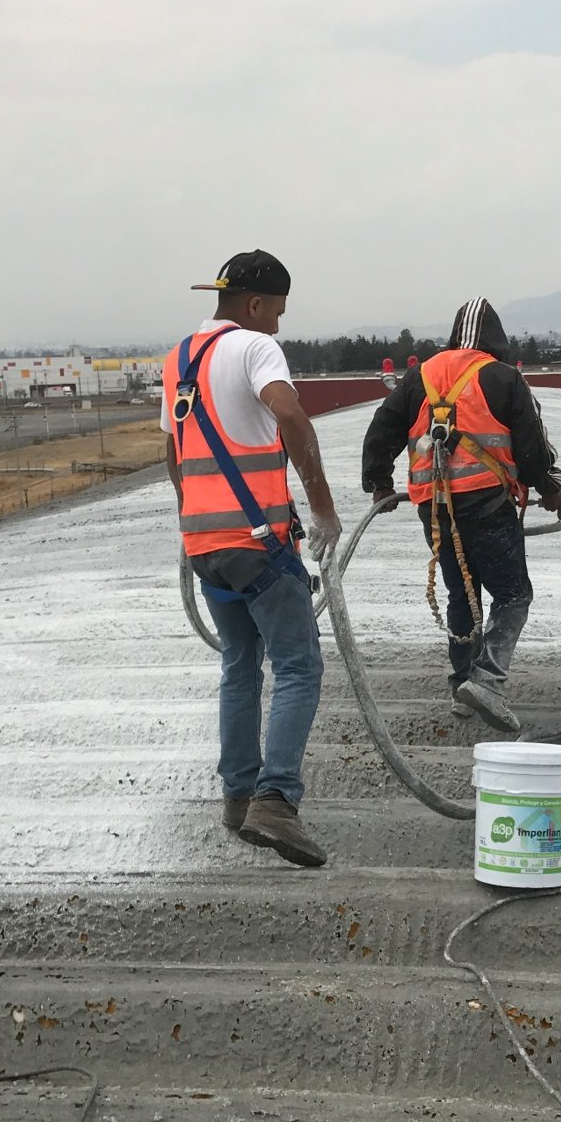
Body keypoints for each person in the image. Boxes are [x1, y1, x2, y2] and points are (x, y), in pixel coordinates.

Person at [163, 250, 340, 868]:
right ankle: (277, 801)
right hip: (257, 542)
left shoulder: (180, 358)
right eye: (278, 313)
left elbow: (173, 452)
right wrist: (321, 507)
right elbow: (290, 413)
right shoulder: (254, 348)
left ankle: (238, 797)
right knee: (299, 668)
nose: (279, 326)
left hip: (205, 547)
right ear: (256, 304)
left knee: (240, 665)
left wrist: (195, 515)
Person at [360, 297, 561, 732]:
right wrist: (551, 489)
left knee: (463, 593)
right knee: (513, 596)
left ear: (454, 337)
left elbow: (382, 428)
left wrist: (380, 482)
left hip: (434, 508)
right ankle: (487, 681)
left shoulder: (421, 375)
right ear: (496, 340)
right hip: (487, 506)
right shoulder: (504, 377)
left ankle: (462, 687)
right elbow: (531, 448)